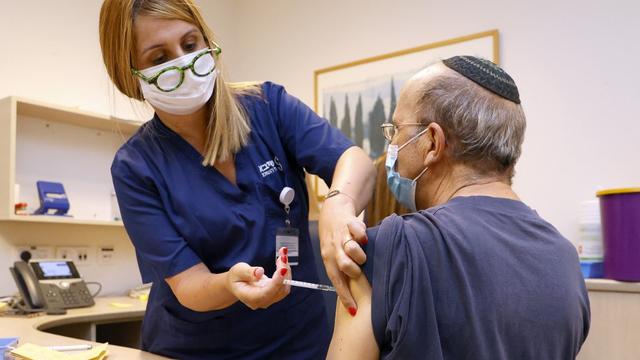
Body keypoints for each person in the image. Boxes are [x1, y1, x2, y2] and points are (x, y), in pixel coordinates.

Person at [99, 0, 375, 358]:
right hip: (195, 349)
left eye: (190, 43)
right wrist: (229, 284)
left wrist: (338, 203)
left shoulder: (268, 107)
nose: (183, 62)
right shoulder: (136, 166)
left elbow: (354, 161)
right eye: (158, 58)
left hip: (296, 341)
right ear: (129, 75)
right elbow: (189, 284)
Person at [328, 56, 590, 359]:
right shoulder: (565, 258)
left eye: (396, 130)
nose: (393, 147)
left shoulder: (387, 249)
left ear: (432, 143)